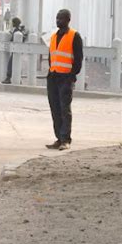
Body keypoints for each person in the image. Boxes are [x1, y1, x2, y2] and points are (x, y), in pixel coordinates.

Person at [45, 9, 83, 151]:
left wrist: (72, 75)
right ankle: (58, 138)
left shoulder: (74, 36)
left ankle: (66, 140)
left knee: (64, 109)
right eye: (56, 18)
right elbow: (51, 56)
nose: (58, 21)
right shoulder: (54, 36)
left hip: (65, 78)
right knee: (55, 108)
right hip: (53, 77)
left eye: (61, 19)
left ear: (68, 20)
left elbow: (78, 59)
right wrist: (51, 71)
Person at [2, 17, 22, 84]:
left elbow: (13, 40)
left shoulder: (17, 31)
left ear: (14, 23)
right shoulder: (18, 30)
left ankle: (8, 78)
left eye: (12, 22)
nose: (11, 23)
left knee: (10, 64)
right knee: (16, 65)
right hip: (17, 51)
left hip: (15, 51)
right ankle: (18, 79)